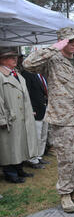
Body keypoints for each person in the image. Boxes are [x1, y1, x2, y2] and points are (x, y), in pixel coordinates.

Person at [23, 27, 74, 213]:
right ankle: (65, 194)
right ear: (61, 41)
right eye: (68, 41)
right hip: (62, 118)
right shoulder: (52, 61)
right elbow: (28, 64)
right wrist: (54, 47)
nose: (73, 44)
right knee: (66, 157)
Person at [0, 47, 38, 183]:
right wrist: (2, 118)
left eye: (15, 57)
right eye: (11, 57)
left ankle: (19, 169)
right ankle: (10, 173)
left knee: (19, 145)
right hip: (10, 117)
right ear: (3, 60)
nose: (15, 59)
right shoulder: (1, 75)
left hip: (21, 116)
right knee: (9, 147)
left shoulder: (16, 73)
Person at [18, 56, 50, 168]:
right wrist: (31, 109)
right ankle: (32, 159)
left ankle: (39, 156)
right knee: (35, 136)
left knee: (43, 135)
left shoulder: (41, 75)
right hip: (35, 110)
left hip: (45, 109)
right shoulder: (27, 74)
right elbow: (26, 94)